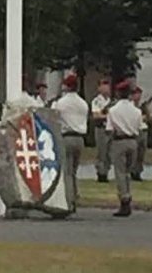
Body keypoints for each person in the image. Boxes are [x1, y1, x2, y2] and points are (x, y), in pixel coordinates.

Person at [106, 81, 143, 218]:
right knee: (128, 172)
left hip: (119, 140)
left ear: (118, 93)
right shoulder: (137, 111)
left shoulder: (113, 110)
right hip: (133, 141)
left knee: (120, 173)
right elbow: (140, 129)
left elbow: (109, 129)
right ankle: (128, 194)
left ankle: (124, 200)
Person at [53, 72, 89, 210]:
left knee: (66, 171)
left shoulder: (61, 103)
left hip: (66, 137)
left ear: (66, 86)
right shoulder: (83, 103)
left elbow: (54, 117)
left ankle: (69, 200)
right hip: (80, 138)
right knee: (74, 171)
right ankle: (75, 194)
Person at [91, 78, 113, 183]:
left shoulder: (110, 101)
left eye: (107, 85)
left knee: (109, 153)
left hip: (109, 128)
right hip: (101, 128)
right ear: (99, 87)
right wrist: (107, 115)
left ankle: (106, 171)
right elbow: (96, 115)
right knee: (101, 152)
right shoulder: (96, 101)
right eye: (103, 85)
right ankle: (100, 172)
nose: (106, 87)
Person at [133, 87, 151, 181]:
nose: (138, 96)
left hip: (143, 130)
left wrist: (146, 108)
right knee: (134, 153)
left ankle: (138, 171)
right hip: (136, 131)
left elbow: (147, 117)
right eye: (137, 94)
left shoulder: (141, 106)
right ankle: (132, 171)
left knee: (141, 153)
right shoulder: (131, 106)